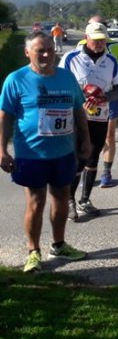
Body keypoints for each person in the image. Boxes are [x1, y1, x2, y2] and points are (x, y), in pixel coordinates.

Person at [0, 32, 91, 272]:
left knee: (61, 199)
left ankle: (59, 245)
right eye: (40, 50)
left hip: (63, 152)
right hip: (31, 154)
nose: (47, 54)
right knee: (36, 202)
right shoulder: (16, 79)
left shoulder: (66, 77)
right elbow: (4, 117)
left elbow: (78, 111)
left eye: (50, 49)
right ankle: (33, 252)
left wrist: (86, 140)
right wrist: (2, 150)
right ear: (27, 52)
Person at [60, 22, 118, 219]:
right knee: (78, 156)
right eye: (95, 39)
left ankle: (85, 199)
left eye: (102, 39)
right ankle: (69, 200)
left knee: (93, 156)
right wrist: (80, 98)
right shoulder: (71, 58)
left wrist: (104, 97)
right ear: (86, 38)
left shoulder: (111, 60)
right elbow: (60, 83)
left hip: (100, 115)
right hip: (76, 115)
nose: (99, 43)